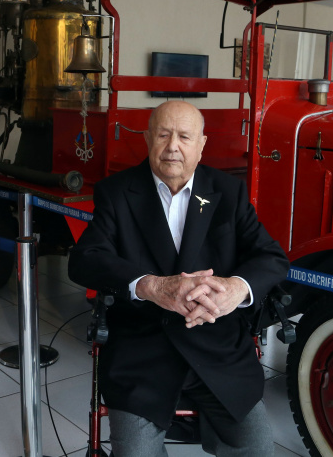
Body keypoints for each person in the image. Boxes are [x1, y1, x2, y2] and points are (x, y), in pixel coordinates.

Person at [68, 100, 289, 457]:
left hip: (217, 347)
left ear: (202, 145)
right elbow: (84, 260)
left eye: (185, 136)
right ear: (147, 139)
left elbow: (272, 257)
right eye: (163, 134)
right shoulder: (117, 192)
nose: (173, 146)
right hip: (142, 350)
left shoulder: (227, 193)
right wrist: (153, 286)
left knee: (258, 448)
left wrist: (235, 289)